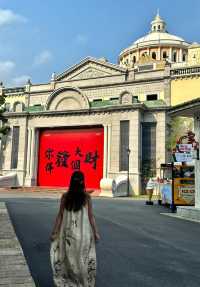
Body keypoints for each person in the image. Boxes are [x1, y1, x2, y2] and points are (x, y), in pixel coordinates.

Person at [50, 171, 100, 287]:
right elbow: (91, 216)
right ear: (83, 182)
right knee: (82, 258)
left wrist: (55, 232)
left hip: (68, 233)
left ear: (71, 182)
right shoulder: (86, 197)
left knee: (68, 258)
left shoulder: (65, 197)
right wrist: (96, 232)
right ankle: (82, 282)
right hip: (83, 234)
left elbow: (60, 215)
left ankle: (70, 281)